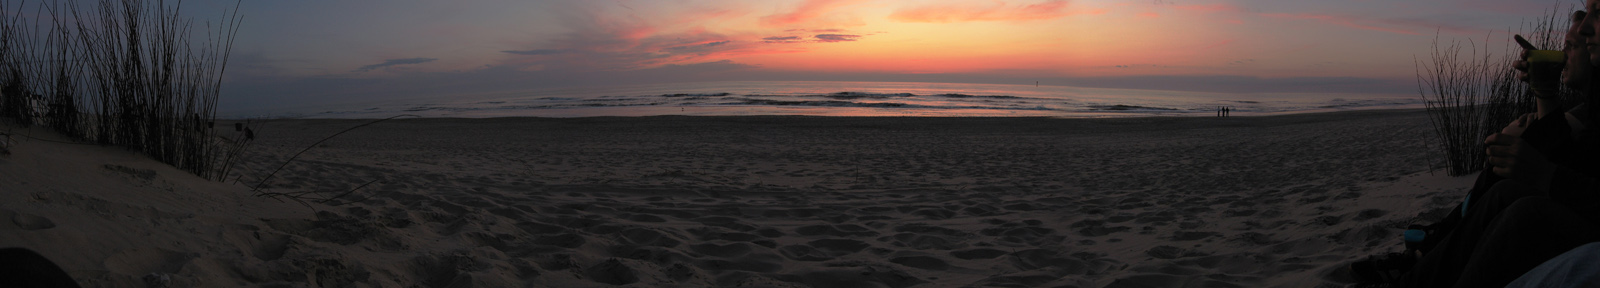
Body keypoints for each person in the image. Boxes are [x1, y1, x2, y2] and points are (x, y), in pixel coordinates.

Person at [1353, 7, 1598, 287]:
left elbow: (1570, 166)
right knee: (1506, 191)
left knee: (1525, 213)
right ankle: (1419, 267)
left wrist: (1546, 171)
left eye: (1571, 46)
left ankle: (1428, 252)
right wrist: (1544, 91)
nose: (1565, 53)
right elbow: (1576, 159)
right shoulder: (1591, 105)